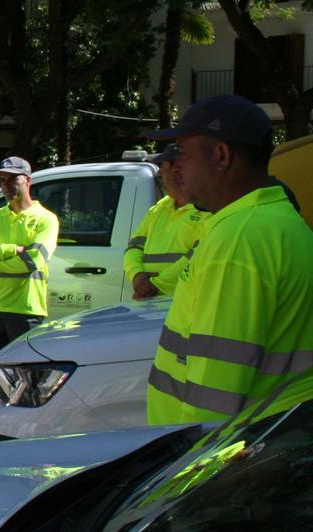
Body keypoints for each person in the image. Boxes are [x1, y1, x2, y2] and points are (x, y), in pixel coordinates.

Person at [144, 95, 313, 426]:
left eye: (182, 152)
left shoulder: (239, 239)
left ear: (221, 156)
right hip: (268, 438)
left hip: (223, 453)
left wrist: (188, 467)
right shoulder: (274, 221)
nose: (176, 166)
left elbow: (212, 397)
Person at [0, 156, 60, 395]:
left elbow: (32, 261)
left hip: (25, 309)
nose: (5, 185)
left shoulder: (46, 219)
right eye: (2, 180)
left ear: (27, 181)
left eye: (12, 179)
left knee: (27, 376)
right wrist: (8, 250)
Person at [124, 145, 210, 300]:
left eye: (162, 167)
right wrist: (137, 276)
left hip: (183, 299)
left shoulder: (206, 208)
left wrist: (155, 286)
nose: (159, 173)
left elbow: (198, 256)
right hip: (152, 299)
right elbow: (133, 247)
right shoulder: (158, 209)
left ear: (178, 170)